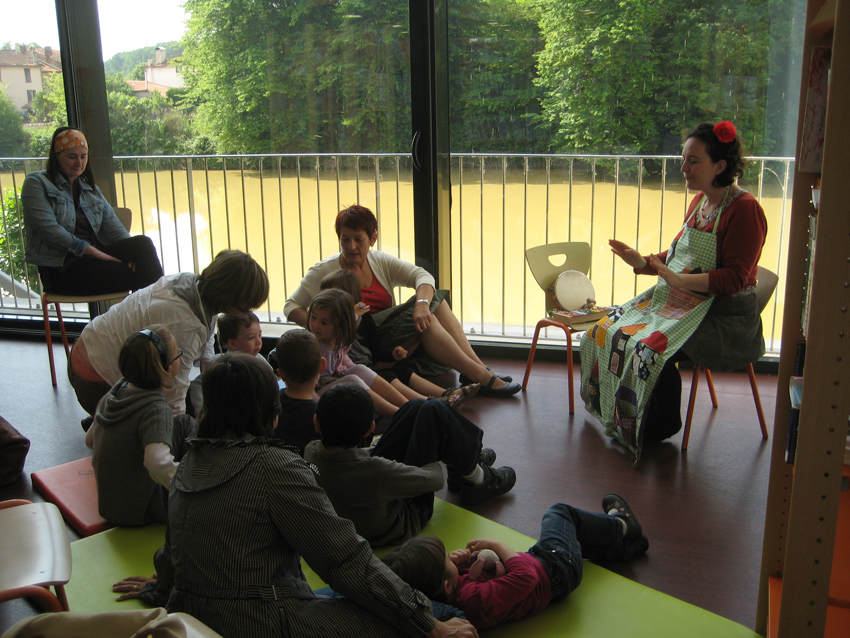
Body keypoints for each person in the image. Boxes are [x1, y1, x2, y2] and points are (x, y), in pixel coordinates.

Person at [111, 352, 479, 638]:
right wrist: (430, 626)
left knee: (372, 595)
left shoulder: (190, 462)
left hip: (191, 620)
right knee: (438, 618)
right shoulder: (275, 468)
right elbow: (344, 561)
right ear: (268, 409)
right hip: (265, 622)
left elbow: (176, 547)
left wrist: (163, 590)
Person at [580, 121, 767, 455]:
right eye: (684, 159)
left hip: (725, 318)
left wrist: (679, 280)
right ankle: (619, 416)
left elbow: (735, 278)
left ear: (720, 166)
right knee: (606, 329)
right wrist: (644, 262)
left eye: (693, 161)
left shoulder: (746, 209)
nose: (684, 168)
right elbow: (679, 256)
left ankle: (657, 427)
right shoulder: (700, 203)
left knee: (650, 348)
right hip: (686, 301)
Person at [284, 204, 520, 397]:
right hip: (360, 339)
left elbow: (423, 276)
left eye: (358, 239)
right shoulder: (324, 270)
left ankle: (477, 369)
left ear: (373, 238)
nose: (351, 246)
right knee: (435, 304)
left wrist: (421, 305)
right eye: (345, 239)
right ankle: (481, 375)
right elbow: (291, 305)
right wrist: (326, 326)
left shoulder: (379, 261)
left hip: (382, 335)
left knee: (433, 302)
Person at [382, 495, 649, 631]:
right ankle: (622, 526)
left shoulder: (451, 596)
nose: (450, 556)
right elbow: (525, 577)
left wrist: (462, 564)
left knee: (574, 540)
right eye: (446, 559)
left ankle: (628, 548)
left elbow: (470, 581)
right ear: (445, 584)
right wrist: (498, 546)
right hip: (554, 568)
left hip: (549, 568)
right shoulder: (473, 601)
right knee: (560, 513)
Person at [304, 383, 517, 546]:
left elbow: (355, 461)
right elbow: (434, 480)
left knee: (415, 407)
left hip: (363, 502)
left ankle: (465, 463)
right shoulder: (377, 471)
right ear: (370, 429)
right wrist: (435, 448)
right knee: (434, 413)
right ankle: (477, 477)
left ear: (315, 422)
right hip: (406, 515)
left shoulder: (311, 451)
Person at [69, 249, 269, 418]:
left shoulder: (192, 284)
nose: (249, 310)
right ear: (230, 297)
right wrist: (182, 432)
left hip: (89, 348)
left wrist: (206, 357)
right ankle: (106, 420)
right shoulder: (184, 322)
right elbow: (174, 390)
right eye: (246, 306)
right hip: (98, 381)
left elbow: (209, 320)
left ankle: (102, 421)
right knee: (181, 416)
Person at [22, 126, 162, 295]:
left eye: (83, 157)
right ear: (57, 156)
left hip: (93, 260)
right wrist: (91, 251)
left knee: (142, 245)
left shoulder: (90, 190)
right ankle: (156, 314)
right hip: (62, 269)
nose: (79, 163)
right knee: (138, 274)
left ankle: (152, 315)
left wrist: (132, 256)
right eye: (72, 157)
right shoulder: (37, 183)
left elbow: (115, 229)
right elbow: (48, 230)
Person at [84, 326, 197, 526]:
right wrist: (187, 485)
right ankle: (196, 494)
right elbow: (157, 464)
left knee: (179, 423)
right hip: (142, 511)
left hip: (109, 505)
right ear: (168, 367)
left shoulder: (116, 392)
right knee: (187, 423)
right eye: (177, 354)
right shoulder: (155, 409)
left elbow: (90, 440)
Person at [320, 270, 480, 409]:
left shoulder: (365, 320)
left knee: (402, 371)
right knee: (388, 377)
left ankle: (445, 394)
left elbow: (375, 349)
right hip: (346, 373)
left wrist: (392, 354)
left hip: (365, 366)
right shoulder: (328, 328)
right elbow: (342, 334)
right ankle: (427, 402)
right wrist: (353, 317)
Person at [187, 311, 272, 415]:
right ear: (232, 343)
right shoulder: (219, 365)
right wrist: (201, 410)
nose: (259, 341)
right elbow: (198, 385)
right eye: (251, 338)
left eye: (260, 335)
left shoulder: (262, 363)